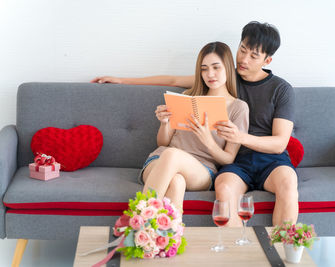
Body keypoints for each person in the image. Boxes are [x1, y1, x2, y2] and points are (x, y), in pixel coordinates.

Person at [91, 21, 298, 227]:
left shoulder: (278, 90)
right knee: (198, 183)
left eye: (253, 56)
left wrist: (236, 137)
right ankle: (171, 239)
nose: (243, 59)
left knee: (288, 183)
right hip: (234, 164)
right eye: (242, 49)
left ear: (267, 59)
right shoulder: (219, 76)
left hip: (263, 160)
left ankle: (138, 221)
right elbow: (173, 81)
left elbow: (280, 143)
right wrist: (123, 81)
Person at [133, 42, 249, 213]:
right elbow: (162, 142)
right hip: (160, 160)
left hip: (202, 169)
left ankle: (140, 222)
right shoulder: (188, 97)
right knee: (177, 181)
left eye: (216, 67)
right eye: (204, 69)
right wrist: (164, 124)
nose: (210, 74)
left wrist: (207, 141)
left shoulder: (238, 107)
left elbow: (228, 159)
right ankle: (167, 237)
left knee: (171, 154)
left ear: (229, 68)